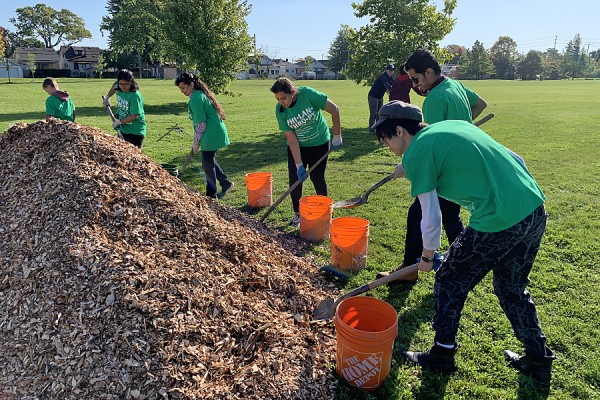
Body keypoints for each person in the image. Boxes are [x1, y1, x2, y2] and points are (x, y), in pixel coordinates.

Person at [373, 100, 555, 386]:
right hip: (533, 208)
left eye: (385, 140)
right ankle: (538, 360)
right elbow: (516, 158)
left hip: (497, 221)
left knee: (447, 280)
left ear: (399, 131)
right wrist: (405, 167)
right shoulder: (450, 127)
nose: (386, 145)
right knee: (511, 287)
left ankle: (442, 354)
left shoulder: (418, 152)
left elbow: (431, 216)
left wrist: (427, 256)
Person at [378, 49, 488, 282]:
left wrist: (407, 167)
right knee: (450, 216)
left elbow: (426, 147)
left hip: (444, 170)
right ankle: (465, 264)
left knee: (419, 213)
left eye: (416, 79)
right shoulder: (455, 86)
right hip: (457, 166)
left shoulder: (435, 99)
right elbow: (480, 104)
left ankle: (410, 269)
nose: (416, 86)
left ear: (429, 72)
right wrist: (466, 131)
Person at [270, 77, 342, 226]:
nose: (281, 102)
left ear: (293, 92)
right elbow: (291, 139)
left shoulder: (308, 94)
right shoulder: (280, 111)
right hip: (299, 147)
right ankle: (298, 214)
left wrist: (337, 136)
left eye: (283, 98)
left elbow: (335, 110)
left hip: (319, 144)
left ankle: (325, 212)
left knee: (317, 177)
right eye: (278, 99)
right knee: (295, 181)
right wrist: (298, 165)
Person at [175, 72, 234, 198]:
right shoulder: (198, 95)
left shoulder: (196, 99)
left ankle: (211, 195)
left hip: (211, 134)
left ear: (191, 85)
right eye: (180, 89)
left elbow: (201, 125)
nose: (182, 91)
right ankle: (225, 183)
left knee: (207, 165)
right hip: (214, 132)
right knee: (209, 160)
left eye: (183, 88)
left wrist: (196, 143)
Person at [102, 69, 146, 148]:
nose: (123, 87)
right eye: (121, 84)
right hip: (123, 129)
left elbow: (134, 115)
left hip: (135, 132)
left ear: (131, 82)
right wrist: (107, 98)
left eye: (126, 84)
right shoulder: (119, 88)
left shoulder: (135, 96)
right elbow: (114, 86)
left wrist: (119, 122)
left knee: (133, 157)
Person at [367, 64, 394, 134]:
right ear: (387, 70)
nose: (391, 72)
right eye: (390, 70)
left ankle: (378, 129)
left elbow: (393, 85)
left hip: (380, 97)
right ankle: (371, 130)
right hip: (373, 96)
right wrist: (394, 91)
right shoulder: (383, 77)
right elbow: (388, 86)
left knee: (379, 114)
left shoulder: (390, 78)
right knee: (373, 114)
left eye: (392, 70)